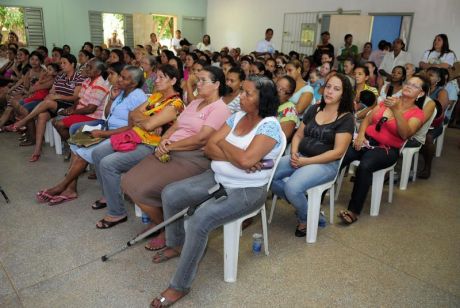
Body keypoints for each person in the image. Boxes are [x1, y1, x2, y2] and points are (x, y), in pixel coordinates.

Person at [150, 76, 283, 307]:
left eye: (248, 93)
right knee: (171, 194)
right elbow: (210, 148)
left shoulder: (270, 126)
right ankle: (176, 244)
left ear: (263, 100)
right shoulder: (238, 116)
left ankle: (179, 286)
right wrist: (237, 155)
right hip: (216, 176)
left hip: (246, 190)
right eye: (242, 91)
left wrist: (228, 148)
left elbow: (241, 157)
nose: (241, 96)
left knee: (199, 220)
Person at [121, 66, 231, 251]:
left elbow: (201, 139)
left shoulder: (220, 108)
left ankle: (167, 230)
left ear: (217, 85)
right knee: (127, 182)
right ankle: (163, 224)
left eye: (204, 80)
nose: (198, 83)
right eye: (198, 80)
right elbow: (176, 126)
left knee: (144, 188)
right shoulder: (196, 103)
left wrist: (170, 146)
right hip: (170, 150)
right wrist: (163, 141)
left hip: (194, 158)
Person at [35, 66, 146, 205]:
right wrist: (111, 99)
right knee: (76, 144)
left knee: (83, 153)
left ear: (134, 83)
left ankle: (61, 187)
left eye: (123, 77)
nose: (119, 79)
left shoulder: (137, 96)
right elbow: (107, 114)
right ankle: (70, 188)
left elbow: (132, 128)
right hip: (108, 129)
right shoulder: (122, 92)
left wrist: (103, 133)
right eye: (120, 75)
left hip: (122, 136)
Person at [92, 64, 185, 228]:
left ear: (173, 81)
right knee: (98, 152)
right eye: (156, 76)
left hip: (151, 145)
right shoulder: (156, 96)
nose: (156, 80)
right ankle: (109, 195)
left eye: (162, 77)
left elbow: (148, 125)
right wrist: (148, 120)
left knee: (108, 163)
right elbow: (133, 114)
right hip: (134, 136)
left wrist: (146, 120)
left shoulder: (176, 103)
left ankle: (116, 213)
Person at [271, 73, 354, 236]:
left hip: (325, 164)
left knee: (292, 187)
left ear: (343, 94)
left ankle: (305, 218)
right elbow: (298, 135)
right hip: (300, 155)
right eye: (328, 86)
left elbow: (337, 152)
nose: (329, 92)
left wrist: (304, 162)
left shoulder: (347, 118)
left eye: (336, 89)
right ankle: (311, 213)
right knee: (268, 177)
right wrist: (294, 153)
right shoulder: (314, 108)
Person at [338, 75, 427, 225]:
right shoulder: (388, 101)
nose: (409, 86)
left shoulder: (417, 113)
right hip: (366, 140)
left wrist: (396, 110)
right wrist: (360, 135)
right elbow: (367, 119)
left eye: (415, 86)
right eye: (408, 83)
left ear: (421, 94)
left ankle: (353, 211)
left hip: (387, 149)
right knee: (340, 154)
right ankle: (317, 195)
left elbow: (405, 133)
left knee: (366, 165)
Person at [52, 59, 110, 146]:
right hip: (82, 112)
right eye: (87, 66)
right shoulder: (87, 80)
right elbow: (79, 98)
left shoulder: (100, 85)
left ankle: (72, 147)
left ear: (98, 72)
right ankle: (72, 143)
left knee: (59, 124)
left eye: (90, 67)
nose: (87, 69)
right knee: (55, 121)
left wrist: (73, 112)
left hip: (93, 117)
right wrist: (72, 108)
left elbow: (91, 109)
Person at [418, 68, 449, 179]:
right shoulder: (420, 88)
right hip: (418, 121)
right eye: (426, 74)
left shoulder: (442, 92)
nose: (427, 76)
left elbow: (439, 111)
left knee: (429, 138)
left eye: (430, 75)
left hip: (433, 124)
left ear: (438, 79)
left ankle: (427, 167)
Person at [276, 75, 299, 141]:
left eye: (283, 90)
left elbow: (281, 139)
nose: (278, 90)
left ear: (290, 95)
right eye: (277, 86)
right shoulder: (268, 101)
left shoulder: (290, 111)